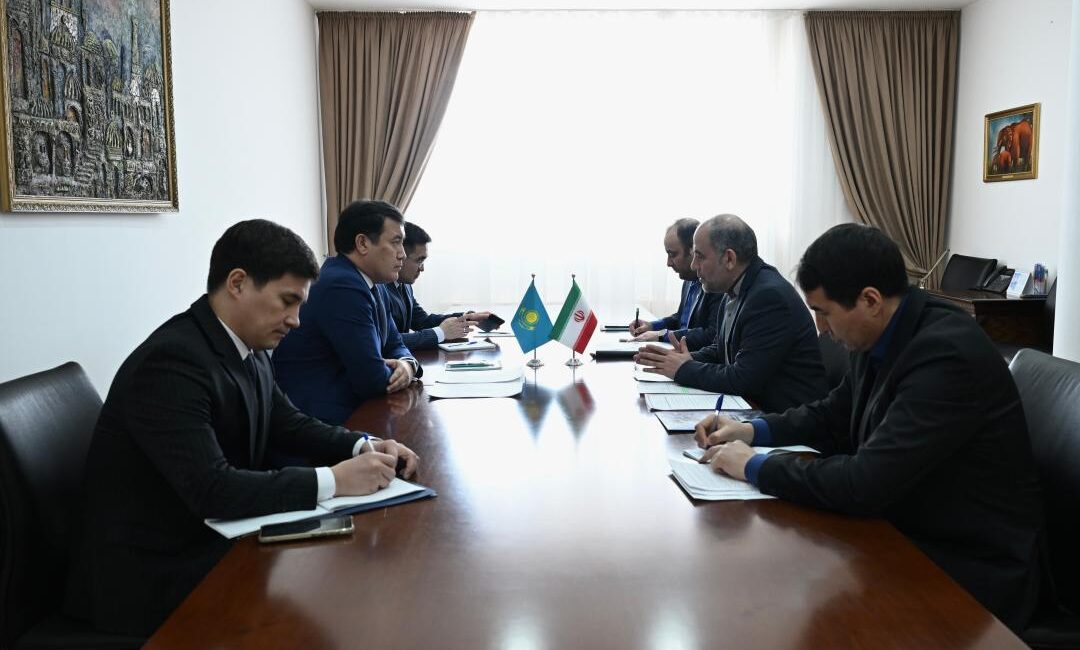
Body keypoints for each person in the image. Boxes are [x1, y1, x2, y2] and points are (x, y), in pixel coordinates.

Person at [65, 219, 420, 637]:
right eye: (287, 301)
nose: (296, 320)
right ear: (238, 283)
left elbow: (287, 422)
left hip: (209, 541)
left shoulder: (245, 345)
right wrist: (334, 481)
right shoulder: (171, 363)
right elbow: (212, 489)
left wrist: (363, 445)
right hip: (150, 577)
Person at [694, 223, 1043, 632]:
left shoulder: (946, 356)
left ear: (870, 300)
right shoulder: (882, 330)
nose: (820, 328)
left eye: (824, 312)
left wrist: (755, 466)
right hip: (904, 529)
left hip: (967, 568)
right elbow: (833, 413)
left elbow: (863, 483)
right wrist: (752, 430)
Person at [635, 214, 827, 413]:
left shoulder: (768, 296)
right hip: (754, 406)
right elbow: (720, 350)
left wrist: (684, 368)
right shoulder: (734, 287)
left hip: (783, 417)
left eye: (700, 256)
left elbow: (743, 378)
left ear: (729, 259)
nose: (693, 265)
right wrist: (680, 359)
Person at [273, 200, 422, 426]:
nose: (402, 254)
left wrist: (408, 364)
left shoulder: (373, 283)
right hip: (321, 424)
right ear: (362, 243)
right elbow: (372, 379)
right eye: (396, 242)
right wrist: (403, 370)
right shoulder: (341, 285)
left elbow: (395, 342)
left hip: (355, 411)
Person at [386, 221, 494, 351]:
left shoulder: (404, 285)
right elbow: (387, 341)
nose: (422, 269)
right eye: (419, 260)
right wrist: (441, 333)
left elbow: (422, 322)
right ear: (399, 255)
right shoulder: (379, 288)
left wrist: (466, 317)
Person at [628, 218, 722, 351]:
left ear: (693, 251)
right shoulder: (688, 280)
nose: (668, 263)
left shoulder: (716, 283)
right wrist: (651, 326)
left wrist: (661, 335)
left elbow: (711, 335)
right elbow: (681, 318)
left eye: (672, 254)